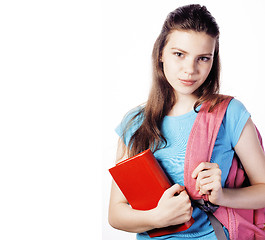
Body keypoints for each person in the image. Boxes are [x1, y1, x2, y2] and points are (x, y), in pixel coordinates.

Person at [108, 4, 265, 240]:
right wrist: (157, 218)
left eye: (203, 58)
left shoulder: (229, 112)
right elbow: (116, 214)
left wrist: (223, 196)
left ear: (213, 60)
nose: (190, 69)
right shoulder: (135, 123)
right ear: (161, 53)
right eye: (179, 54)